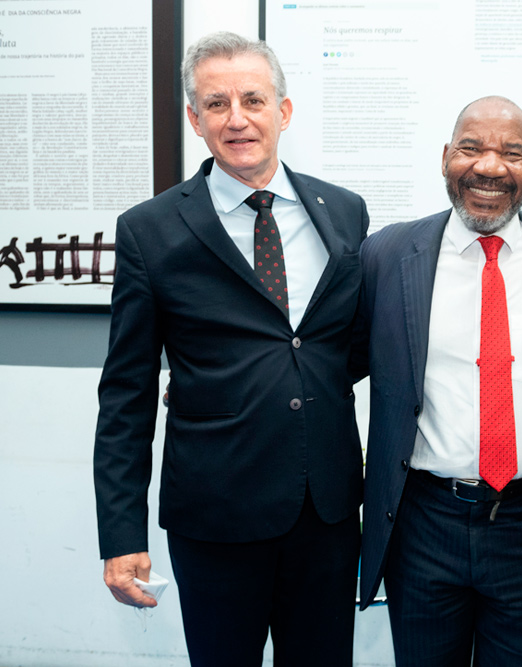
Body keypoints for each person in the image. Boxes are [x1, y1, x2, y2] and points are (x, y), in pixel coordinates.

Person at [93, 32, 368, 666]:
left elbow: (343, 350)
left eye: (253, 99)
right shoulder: (150, 230)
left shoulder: (345, 212)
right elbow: (127, 393)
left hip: (324, 511)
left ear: (284, 111)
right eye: (217, 104)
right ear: (195, 118)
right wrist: (121, 534)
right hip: (215, 514)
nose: (237, 118)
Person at [352, 96, 522, 667]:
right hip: (423, 524)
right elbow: (334, 360)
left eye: (511, 153)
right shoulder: (387, 254)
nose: (490, 167)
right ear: (445, 158)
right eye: (471, 148)